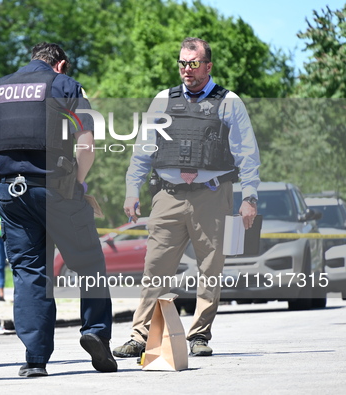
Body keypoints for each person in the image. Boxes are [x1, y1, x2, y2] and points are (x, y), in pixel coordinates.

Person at [112, 37, 260, 358]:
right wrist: (131, 189)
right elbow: (143, 149)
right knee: (155, 267)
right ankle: (141, 336)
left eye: (193, 63)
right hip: (168, 196)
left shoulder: (229, 102)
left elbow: (247, 154)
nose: (186, 69)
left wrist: (250, 196)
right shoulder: (163, 99)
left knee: (210, 268)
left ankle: (199, 336)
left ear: (208, 65)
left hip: (212, 195)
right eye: (182, 63)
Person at [0, 42, 117, 377]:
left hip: (10, 192)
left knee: (29, 272)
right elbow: (86, 143)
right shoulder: (65, 86)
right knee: (90, 263)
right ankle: (95, 331)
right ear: (61, 64)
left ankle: (35, 359)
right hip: (57, 188)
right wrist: (79, 184)